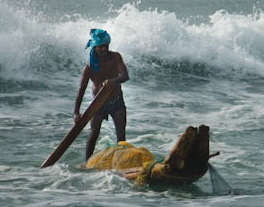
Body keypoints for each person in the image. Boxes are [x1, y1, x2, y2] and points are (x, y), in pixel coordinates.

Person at [74, 29, 129, 161]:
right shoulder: (90, 67)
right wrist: (76, 112)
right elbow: (81, 89)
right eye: (101, 47)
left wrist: (113, 81)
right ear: (95, 47)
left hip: (117, 101)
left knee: (121, 135)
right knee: (93, 134)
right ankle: (88, 162)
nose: (104, 49)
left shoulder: (116, 57)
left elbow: (125, 76)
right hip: (98, 104)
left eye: (106, 46)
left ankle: (121, 162)